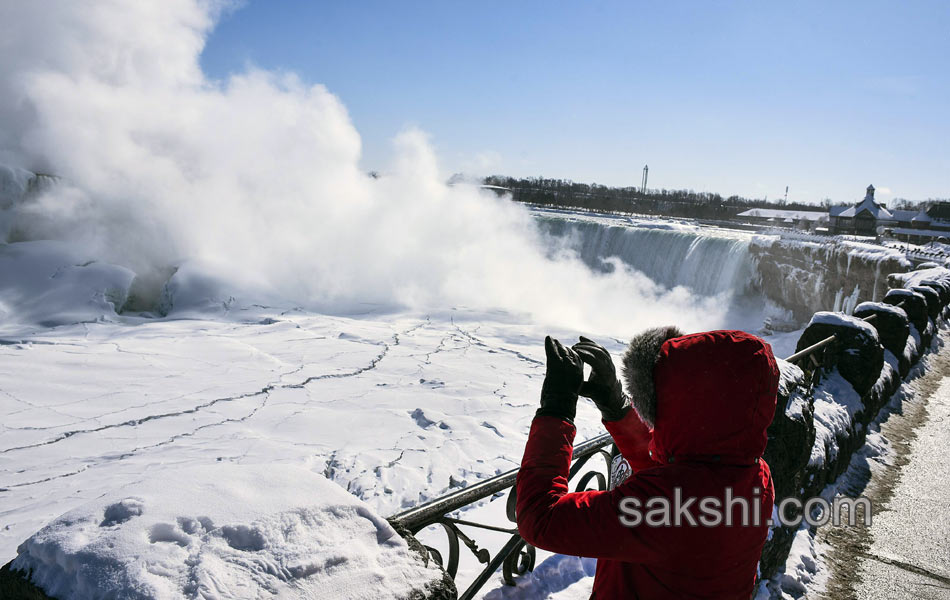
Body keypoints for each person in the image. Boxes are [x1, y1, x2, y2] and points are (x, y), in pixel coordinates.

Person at [516, 328, 779, 599]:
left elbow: (540, 517)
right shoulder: (756, 475)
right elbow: (672, 472)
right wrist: (616, 406)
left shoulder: (666, 505)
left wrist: (555, 410)